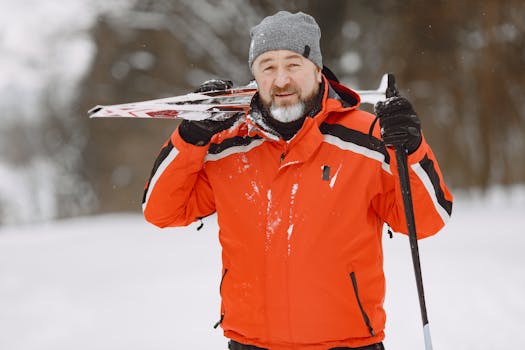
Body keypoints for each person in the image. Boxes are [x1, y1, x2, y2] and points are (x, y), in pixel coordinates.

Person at [142, 11, 453, 350]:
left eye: (293, 65)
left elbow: (428, 219)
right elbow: (162, 211)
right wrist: (190, 137)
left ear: (317, 71)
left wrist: (411, 147)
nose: (281, 80)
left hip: (348, 343)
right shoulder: (228, 146)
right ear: (255, 77)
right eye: (268, 67)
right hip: (251, 342)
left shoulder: (367, 137)